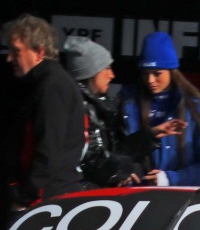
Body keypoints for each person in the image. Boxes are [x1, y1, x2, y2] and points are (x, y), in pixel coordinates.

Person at [60, 35, 169, 188]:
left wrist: (150, 135)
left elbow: (113, 151)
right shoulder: (79, 109)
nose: (112, 75)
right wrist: (123, 170)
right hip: (79, 199)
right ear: (91, 73)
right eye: (106, 68)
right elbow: (91, 162)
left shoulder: (99, 106)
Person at [4, 14, 84, 211]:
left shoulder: (52, 86)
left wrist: (25, 198)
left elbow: (48, 149)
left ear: (39, 52)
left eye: (16, 52)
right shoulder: (41, 83)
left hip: (48, 201)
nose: (9, 58)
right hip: (45, 197)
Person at [120, 31, 200, 187]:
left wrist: (170, 179)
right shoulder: (128, 103)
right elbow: (116, 152)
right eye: (145, 74)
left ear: (171, 71)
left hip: (181, 201)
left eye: (157, 73)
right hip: (134, 200)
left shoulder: (197, 109)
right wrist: (125, 168)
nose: (150, 80)